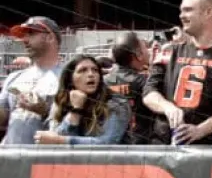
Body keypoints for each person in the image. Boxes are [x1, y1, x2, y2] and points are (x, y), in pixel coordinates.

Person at [142, 0, 212, 146]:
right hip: (163, 144)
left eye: (188, 10)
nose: (181, 16)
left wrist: (200, 130)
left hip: (208, 147)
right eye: (181, 11)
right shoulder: (169, 51)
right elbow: (148, 92)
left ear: (208, 12)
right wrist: (167, 107)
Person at [35, 55, 129, 146]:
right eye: (82, 70)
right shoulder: (60, 101)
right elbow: (56, 139)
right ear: (70, 78)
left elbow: (107, 143)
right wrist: (75, 111)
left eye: (95, 70)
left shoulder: (116, 103)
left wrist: (61, 140)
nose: (91, 74)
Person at [0, 16, 62, 145]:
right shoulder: (14, 77)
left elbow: (79, 124)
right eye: (24, 35)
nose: (25, 40)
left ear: (50, 37)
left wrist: (45, 112)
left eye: (31, 34)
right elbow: (3, 116)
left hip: (46, 160)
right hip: (10, 157)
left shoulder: (69, 76)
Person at [105, 32, 163, 145]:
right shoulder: (144, 82)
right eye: (146, 47)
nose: (149, 50)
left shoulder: (104, 81)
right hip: (139, 146)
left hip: (111, 144)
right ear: (138, 54)